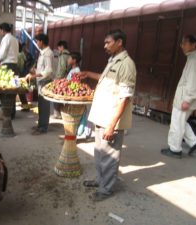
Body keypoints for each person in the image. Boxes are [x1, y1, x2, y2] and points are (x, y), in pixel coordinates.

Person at [78, 29, 136, 201]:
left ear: (119, 43)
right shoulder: (113, 61)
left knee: (110, 156)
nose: (105, 46)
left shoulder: (127, 64)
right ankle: (100, 180)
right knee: (99, 153)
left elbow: (125, 98)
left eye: (108, 42)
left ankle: (106, 189)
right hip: (101, 116)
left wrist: (112, 125)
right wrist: (88, 73)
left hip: (111, 120)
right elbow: (106, 79)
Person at [161, 34, 196, 158]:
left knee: (176, 124)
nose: (182, 46)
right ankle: (194, 142)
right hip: (185, 98)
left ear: (193, 44)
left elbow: (192, 81)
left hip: (184, 99)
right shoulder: (195, 57)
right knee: (181, 122)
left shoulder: (194, 59)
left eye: (184, 43)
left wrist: (187, 99)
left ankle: (175, 150)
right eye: (181, 43)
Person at [26, 33, 54, 135]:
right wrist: (34, 71)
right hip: (41, 81)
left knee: (44, 105)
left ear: (41, 42)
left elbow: (48, 70)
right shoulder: (43, 52)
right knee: (41, 105)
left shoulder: (48, 53)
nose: (37, 43)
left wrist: (34, 76)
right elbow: (42, 69)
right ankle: (40, 124)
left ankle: (43, 127)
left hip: (45, 82)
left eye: (37, 41)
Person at [0, 22, 19, 119]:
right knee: (14, 89)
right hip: (15, 67)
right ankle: (12, 113)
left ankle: (6, 114)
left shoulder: (6, 39)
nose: (0, 33)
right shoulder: (15, 39)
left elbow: (2, 54)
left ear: (3, 30)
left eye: (0, 31)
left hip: (7, 67)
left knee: (5, 90)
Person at [53, 41, 70, 119]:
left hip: (61, 78)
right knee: (63, 96)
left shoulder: (63, 56)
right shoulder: (68, 55)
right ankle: (62, 113)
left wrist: (57, 79)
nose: (58, 49)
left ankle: (57, 113)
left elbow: (62, 69)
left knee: (57, 96)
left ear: (62, 47)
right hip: (66, 78)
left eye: (58, 47)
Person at [17, 43, 30, 111]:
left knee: (20, 91)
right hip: (23, 74)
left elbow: (19, 66)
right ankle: (25, 106)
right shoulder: (22, 54)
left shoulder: (18, 55)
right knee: (21, 91)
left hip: (20, 75)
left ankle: (25, 106)